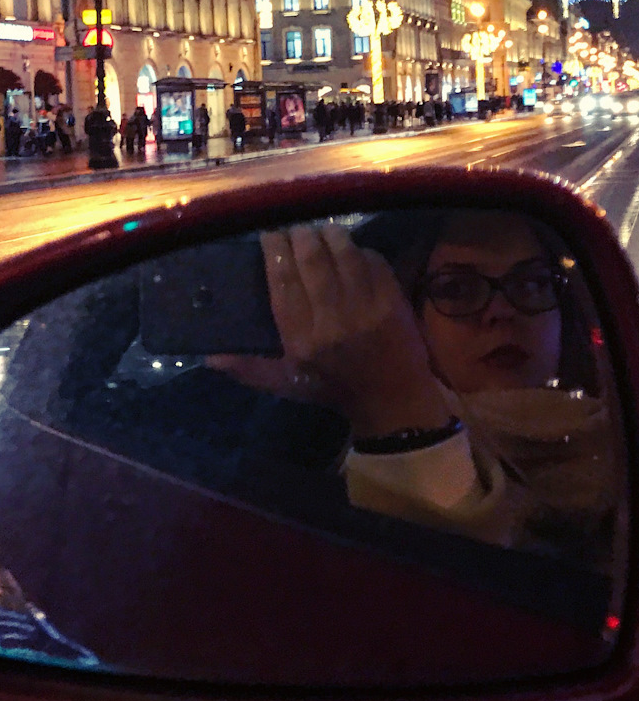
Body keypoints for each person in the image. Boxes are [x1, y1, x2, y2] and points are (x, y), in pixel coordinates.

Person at [210, 210, 616, 566]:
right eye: (457, 289)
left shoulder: (623, 446)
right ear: (405, 317)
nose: (501, 311)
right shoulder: (316, 456)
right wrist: (396, 408)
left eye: (531, 283)